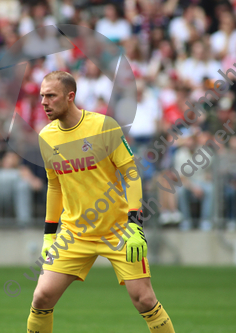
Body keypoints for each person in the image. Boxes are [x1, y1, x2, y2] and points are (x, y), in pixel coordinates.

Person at [27, 71, 175, 332]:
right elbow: (54, 185)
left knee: (144, 299)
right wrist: (49, 235)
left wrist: (134, 225)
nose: (44, 102)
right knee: (41, 297)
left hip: (117, 229)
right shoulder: (46, 137)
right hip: (75, 234)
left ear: (70, 97)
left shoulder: (103, 126)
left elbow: (131, 174)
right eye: (42, 96)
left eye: (50, 96)